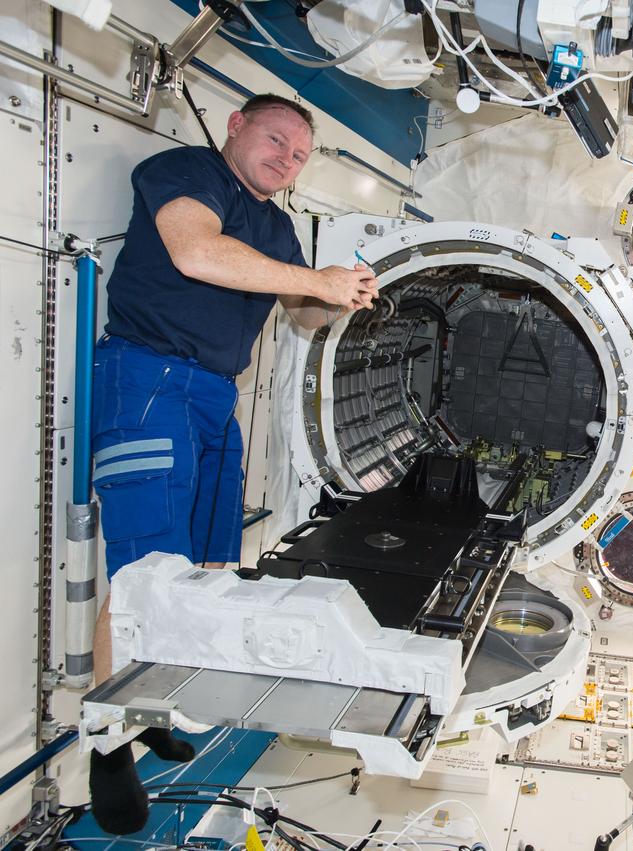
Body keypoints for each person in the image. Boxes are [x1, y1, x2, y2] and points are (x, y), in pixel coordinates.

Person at [88, 94, 379, 834]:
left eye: (300, 154)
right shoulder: (188, 174)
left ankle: (150, 704)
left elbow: (301, 311)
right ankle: (105, 746)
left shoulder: (277, 227)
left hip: (215, 397)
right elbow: (194, 251)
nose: (287, 159)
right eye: (277, 140)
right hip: (149, 379)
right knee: (143, 574)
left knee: (207, 573)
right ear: (235, 127)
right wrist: (314, 282)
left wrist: (344, 294)